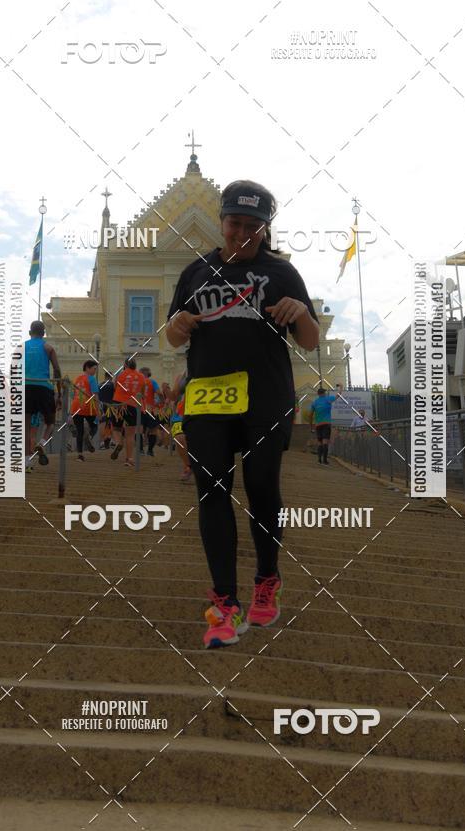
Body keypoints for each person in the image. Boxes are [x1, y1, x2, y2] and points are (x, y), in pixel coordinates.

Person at [166, 179, 319, 648]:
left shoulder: (283, 274)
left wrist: (300, 314)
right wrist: (177, 324)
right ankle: (225, 604)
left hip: (266, 400)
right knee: (212, 493)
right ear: (223, 222)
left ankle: (267, 578)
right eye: (235, 223)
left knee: (261, 489)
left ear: (267, 229)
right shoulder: (196, 272)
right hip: (209, 400)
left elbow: (310, 340)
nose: (243, 234)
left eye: (254, 226)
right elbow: (173, 337)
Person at [24, 321, 61, 469]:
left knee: (26, 426)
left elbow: (13, 369)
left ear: (29, 332)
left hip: (26, 386)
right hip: (44, 387)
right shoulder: (48, 347)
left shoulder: (21, 347)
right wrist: (60, 392)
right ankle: (42, 443)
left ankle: (27, 461)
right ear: (44, 333)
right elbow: (57, 370)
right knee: (50, 422)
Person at [112, 357, 145, 467]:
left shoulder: (119, 374)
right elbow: (142, 393)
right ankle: (129, 459)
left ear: (125, 365)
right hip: (132, 405)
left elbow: (114, 386)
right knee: (130, 435)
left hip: (118, 403)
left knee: (116, 428)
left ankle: (118, 443)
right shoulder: (141, 376)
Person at [71, 360, 100, 461]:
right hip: (88, 407)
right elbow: (95, 395)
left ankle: (80, 455)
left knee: (79, 431)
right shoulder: (91, 379)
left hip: (76, 407)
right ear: (87, 367)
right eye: (94, 369)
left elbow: (72, 395)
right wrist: (98, 410)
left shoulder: (77, 379)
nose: (95, 371)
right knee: (95, 426)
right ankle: (89, 436)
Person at [309, 385, 342, 465]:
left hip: (318, 425)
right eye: (325, 392)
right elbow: (338, 395)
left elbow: (310, 415)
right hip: (326, 424)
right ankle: (325, 461)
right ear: (323, 393)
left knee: (319, 442)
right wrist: (341, 387)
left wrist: (311, 426)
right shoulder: (328, 399)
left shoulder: (315, 402)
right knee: (325, 442)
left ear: (318, 394)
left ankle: (319, 460)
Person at [140, 367, 161, 457]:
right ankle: (150, 451)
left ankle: (140, 450)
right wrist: (161, 401)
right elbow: (159, 393)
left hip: (139, 408)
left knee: (139, 430)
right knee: (153, 430)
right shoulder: (152, 382)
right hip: (150, 409)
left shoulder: (138, 382)